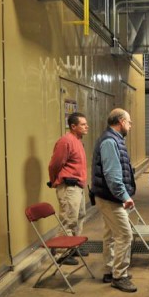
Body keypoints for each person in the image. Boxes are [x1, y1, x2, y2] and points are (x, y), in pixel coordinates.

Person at [91, 108, 137, 293]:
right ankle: (119, 276)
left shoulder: (113, 139)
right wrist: (124, 196)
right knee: (125, 235)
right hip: (111, 198)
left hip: (107, 196)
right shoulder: (110, 141)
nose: (130, 125)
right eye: (129, 122)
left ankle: (110, 269)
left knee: (110, 235)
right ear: (120, 121)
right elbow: (112, 175)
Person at [47, 112, 90, 265]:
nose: (87, 127)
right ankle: (61, 253)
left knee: (79, 216)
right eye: (83, 124)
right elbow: (54, 164)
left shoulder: (77, 140)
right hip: (69, 187)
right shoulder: (66, 141)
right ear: (73, 126)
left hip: (78, 186)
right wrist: (54, 181)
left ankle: (73, 247)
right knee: (68, 219)